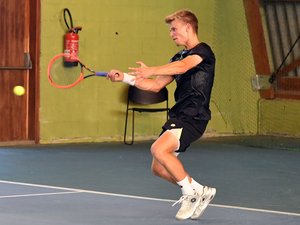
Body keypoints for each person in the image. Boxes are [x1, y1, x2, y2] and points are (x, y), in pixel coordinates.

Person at [107, 9, 216, 220]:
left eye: (174, 29)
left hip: (194, 114)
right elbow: (155, 85)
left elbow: (184, 67)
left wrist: (153, 69)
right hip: (179, 115)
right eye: (170, 30)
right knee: (158, 168)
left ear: (188, 27)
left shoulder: (204, 52)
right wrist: (124, 78)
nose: (171, 33)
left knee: (158, 149)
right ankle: (199, 190)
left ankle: (189, 194)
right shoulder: (178, 56)